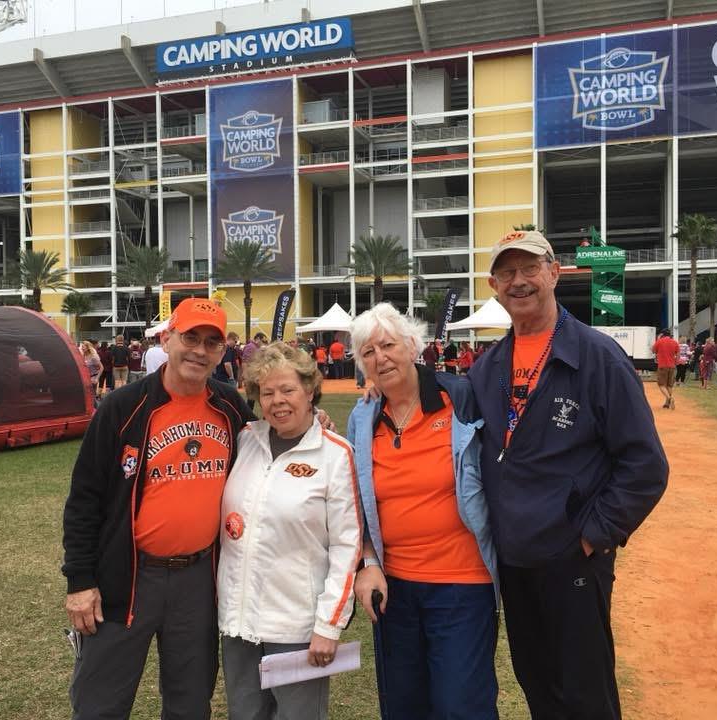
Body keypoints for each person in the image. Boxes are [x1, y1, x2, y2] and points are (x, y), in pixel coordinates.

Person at [468, 229, 668, 720]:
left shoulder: (597, 357)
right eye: (508, 272)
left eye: (530, 268)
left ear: (554, 273)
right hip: (513, 562)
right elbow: (445, 414)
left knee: (584, 695)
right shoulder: (486, 367)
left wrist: (592, 535)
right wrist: (377, 397)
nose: (520, 281)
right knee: (538, 685)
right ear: (494, 285)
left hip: (573, 559)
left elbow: (646, 465)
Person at [62, 298, 253, 720]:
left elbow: (271, 450)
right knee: (100, 704)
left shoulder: (230, 408)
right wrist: (79, 580)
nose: (199, 351)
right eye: (190, 338)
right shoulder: (122, 407)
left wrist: (315, 424)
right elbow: (84, 499)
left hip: (198, 579)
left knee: (189, 703)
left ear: (223, 352)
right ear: (167, 340)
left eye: (212, 343)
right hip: (127, 577)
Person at [348, 303, 499, 720]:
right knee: (403, 706)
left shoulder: (461, 398)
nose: (380, 358)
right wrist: (368, 562)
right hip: (393, 589)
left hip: (462, 584)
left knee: (460, 706)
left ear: (412, 345)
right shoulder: (363, 418)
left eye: (388, 345)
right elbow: (358, 502)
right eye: (368, 352)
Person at [218, 342, 361, 720]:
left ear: (310, 390)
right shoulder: (245, 440)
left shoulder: (335, 453)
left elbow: (348, 546)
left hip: (296, 627)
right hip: (239, 623)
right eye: (267, 392)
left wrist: (329, 625)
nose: (277, 401)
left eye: (288, 390)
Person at [652, 329, 680, 409]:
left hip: (662, 366)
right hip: (672, 366)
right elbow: (678, 353)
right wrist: (676, 362)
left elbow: (653, 350)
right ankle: (667, 403)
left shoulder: (660, 341)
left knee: (661, 385)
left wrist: (658, 339)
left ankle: (670, 399)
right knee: (669, 385)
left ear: (662, 335)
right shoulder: (674, 342)